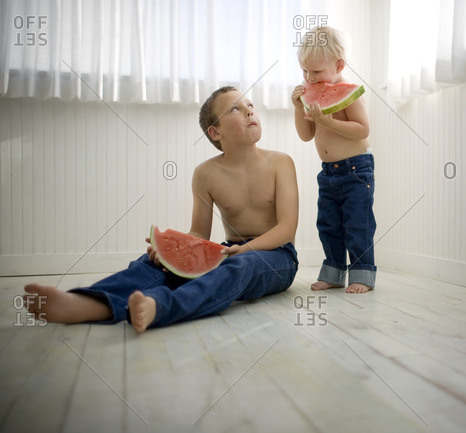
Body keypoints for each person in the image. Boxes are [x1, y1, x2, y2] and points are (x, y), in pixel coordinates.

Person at [23, 87, 299, 333]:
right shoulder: (206, 174)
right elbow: (199, 233)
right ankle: (89, 302)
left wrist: (245, 250)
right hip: (230, 248)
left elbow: (287, 229)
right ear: (216, 132)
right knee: (154, 263)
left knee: (241, 265)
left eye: (250, 105)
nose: (249, 111)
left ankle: (161, 306)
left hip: (278, 256)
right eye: (236, 108)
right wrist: (174, 248)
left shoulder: (280, 163)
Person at [291, 26, 376, 294]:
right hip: (328, 173)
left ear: (339, 65)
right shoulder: (311, 95)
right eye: (305, 71)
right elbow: (306, 135)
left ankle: (362, 275)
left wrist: (328, 121)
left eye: (316, 72)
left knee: (357, 224)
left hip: (356, 171)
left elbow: (362, 130)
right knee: (328, 225)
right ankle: (334, 273)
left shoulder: (349, 93)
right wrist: (298, 108)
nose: (309, 78)